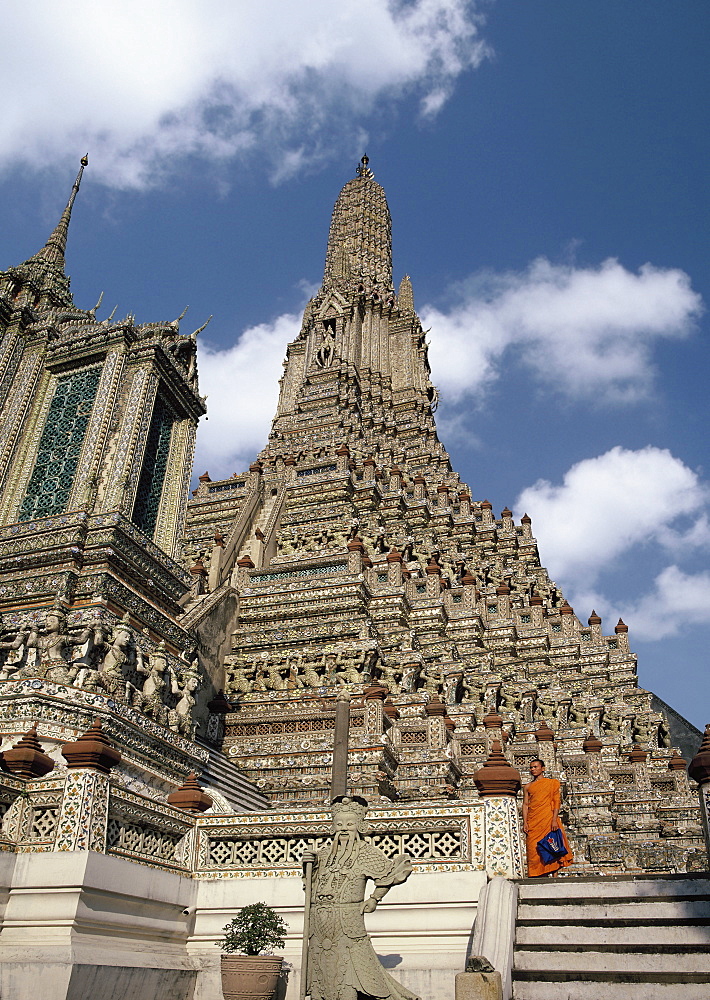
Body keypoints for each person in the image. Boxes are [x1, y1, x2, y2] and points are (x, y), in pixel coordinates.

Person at [301, 796, 419, 1000]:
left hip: (348, 920)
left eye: (350, 824)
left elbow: (392, 873)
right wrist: (309, 866)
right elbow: (310, 888)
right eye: (339, 824)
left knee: (353, 971)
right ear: (332, 827)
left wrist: (374, 898)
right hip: (319, 923)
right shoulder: (323, 854)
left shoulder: (366, 853)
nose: (344, 829)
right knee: (321, 971)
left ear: (360, 825)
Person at [522, 758, 573, 877]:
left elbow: (556, 802)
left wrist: (554, 819)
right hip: (533, 821)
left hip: (548, 819)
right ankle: (537, 874)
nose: (533, 769)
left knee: (551, 845)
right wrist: (525, 822)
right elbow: (525, 805)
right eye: (531, 767)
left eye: (535, 767)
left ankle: (554, 876)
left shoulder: (551, 783)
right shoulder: (528, 787)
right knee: (533, 849)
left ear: (543, 768)